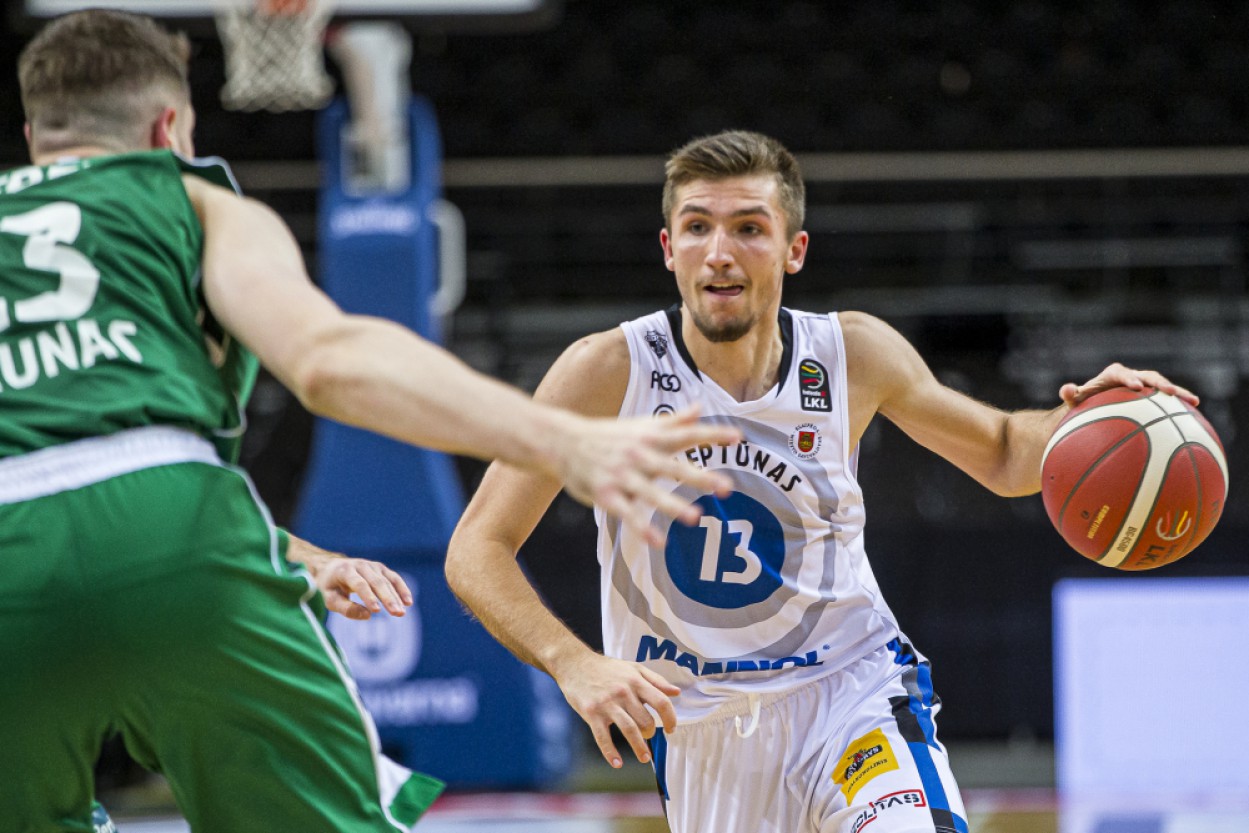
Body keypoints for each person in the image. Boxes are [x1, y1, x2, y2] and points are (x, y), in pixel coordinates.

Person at [0, 11, 741, 833]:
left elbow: (51, 478)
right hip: (176, 538)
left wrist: (297, 555)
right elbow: (325, 360)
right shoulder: (190, 199)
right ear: (167, 129)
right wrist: (563, 439)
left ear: (33, 136)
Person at [444, 129, 1197, 833]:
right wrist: (572, 663)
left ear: (793, 248)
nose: (719, 253)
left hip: (850, 689)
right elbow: (477, 546)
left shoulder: (851, 354)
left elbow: (1001, 452)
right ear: (668, 248)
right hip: (701, 725)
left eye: (748, 227)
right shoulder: (606, 371)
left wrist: (1089, 420)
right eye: (698, 227)